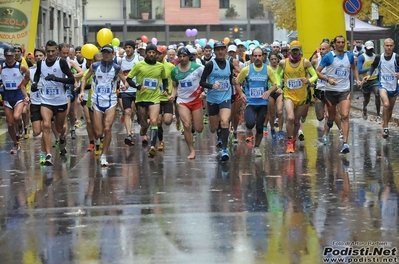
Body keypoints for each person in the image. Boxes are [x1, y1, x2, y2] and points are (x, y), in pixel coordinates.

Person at [79, 44, 129, 166]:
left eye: (108, 52)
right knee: (99, 132)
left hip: (111, 101)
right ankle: (97, 141)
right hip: (97, 101)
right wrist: (81, 92)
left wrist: (124, 86)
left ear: (113, 54)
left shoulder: (117, 68)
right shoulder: (95, 66)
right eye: (104, 52)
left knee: (107, 128)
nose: (106, 54)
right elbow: (85, 78)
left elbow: (125, 82)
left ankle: (104, 156)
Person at [200, 41, 246, 161]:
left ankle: (224, 150)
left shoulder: (229, 64)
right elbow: (202, 82)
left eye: (222, 49)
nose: (220, 52)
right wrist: (211, 86)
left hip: (225, 97)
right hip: (212, 99)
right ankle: (219, 134)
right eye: (218, 50)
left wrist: (239, 91)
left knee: (225, 121)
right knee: (214, 126)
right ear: (214, 52)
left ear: (225, 51)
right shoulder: (210, 65)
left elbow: (231, 79)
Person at [32, 40, 76, 165]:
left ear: (57, 51)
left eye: (53, 51)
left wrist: (56, 78)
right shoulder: (41, 63)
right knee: (46, 125)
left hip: (60, 101)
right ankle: (48, 155)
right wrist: (35, 84)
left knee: (59, 128)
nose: (50, 54)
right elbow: (36, 75)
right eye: (48, 51)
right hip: (46, 100)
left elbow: (71, 79)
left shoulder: (61, 62)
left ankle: (62, 138)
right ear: (46, 51)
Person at [317, 35, 363, 153]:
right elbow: (318, 72)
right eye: (339, 42)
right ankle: (326, 132)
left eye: (343, 42)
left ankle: (345, 144)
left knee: (345, 115)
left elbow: (354, 68)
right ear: (335, 44)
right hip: (331, 92)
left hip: (344, 91)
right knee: (331, 117)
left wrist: (357, 79)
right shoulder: (328, 57)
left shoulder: (349, 56)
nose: (341, 44)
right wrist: (328, 80)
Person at [126, 43, 168, 158]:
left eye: (153, 52)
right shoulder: (139, 65)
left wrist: (165, 89)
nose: (151, 54)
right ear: (146, 53)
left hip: (155, 98)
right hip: (141, 98)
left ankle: (152, 147)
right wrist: (138, 87)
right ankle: (143, 128)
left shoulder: (160, 66)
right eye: (149, 52)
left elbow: (164, 79)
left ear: (156, 54)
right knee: (144, 123)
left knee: (154, 121)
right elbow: (129, 79)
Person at [276, 40, 318, 153]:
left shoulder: (305, 63)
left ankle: (293, 140)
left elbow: (315, 76)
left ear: (300, 51)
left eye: (297, 50)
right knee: (290, 117)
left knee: (296, 121)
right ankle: (289, 142)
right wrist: (279, 84)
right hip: (288, 95)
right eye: (293, 50)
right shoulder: (283, 63)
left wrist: (308, 80)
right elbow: (277, 74)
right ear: (290, 51)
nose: (295, 52)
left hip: (301, 96)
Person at [236, 47, 276, 157]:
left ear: (263, 57)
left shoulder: (268, 69)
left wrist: (269, 91)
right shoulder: (247, 69)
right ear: (252, 57)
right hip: (250, 102)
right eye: (255, 56)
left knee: (259, 127)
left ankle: (257, 147)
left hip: (262, 103)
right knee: (249, 124)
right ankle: (249, 124)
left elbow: (276, 84)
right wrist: (241, 93)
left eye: (260, 56)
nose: (258, 58)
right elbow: (237, 82)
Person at [169, 47, 204, 159]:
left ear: (189, 57)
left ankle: (194, 121)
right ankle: (192, 150)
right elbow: (175, 87)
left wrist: (204, 91)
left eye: (184, 56)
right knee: (187, 125)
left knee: (199, 128)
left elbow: (205, 81)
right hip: (182, 101)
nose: (182, 58)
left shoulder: (198, 68)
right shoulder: (174, 71)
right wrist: (173, 95)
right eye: (180, 56)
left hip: (196, 100)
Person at [364, 38, 399, 139]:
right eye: (387, 45)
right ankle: (386, 128)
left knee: (390, 109)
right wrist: (369, 75)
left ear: (393, 46)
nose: (389, 48)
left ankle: (385, 122)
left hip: (394, 86)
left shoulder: (397, 57)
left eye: (391, 46)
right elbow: (373, 66)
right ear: (383, 46)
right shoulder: (379, 57)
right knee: (386, 104)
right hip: (382, 85)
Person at [0, 46, 30, 154]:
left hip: (18, 95)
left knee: (17, 116)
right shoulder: (1, 67)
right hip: (7, 96)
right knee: (10, 124)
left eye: (11, 56)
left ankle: (21, 127)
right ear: (5, 56)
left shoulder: (20, 67)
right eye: (7, 56)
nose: (9, 58)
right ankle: (15, 143)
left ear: (14, 56)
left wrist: (23, 85)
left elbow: (27, 74)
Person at [312, 42, 342, 145]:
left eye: (324, 49)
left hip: (330, 90)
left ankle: (328, 134)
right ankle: (330, 127)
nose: (321, 51)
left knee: (332, 114)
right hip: (319, 91)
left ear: (330, 50)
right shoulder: (316, 61)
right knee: (320, 117)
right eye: (320, 49)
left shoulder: (334, 60)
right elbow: (311, 71)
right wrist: (312, 81)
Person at [118, 40, 143, 146]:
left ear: (134, 49)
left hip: (138, 89)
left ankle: (142, 130)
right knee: (127, 111)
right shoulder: (120, 61)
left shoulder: (139, 59)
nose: (127, 49)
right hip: (126, 90)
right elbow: (118, 73)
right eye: (126, 47)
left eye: (130, 47)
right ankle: (128, 134)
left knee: (137, 113)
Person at [156, 45, 175, 150]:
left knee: (167, 121)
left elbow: (174, 82)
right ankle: (160, 141)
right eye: (156, 53)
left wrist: (172, 94)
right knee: (158, 122)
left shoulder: (170, 67)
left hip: (167, 98)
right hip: (156, 98)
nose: (158, 56)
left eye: (160, 54)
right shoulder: (152, 66)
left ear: (164, 55)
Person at [357, 40, 381, 121]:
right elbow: (359, 70)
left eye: (371, 49)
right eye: (368, 49)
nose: (370, 51)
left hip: (375, 80)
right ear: (365, 49)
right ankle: (364, 107)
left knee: (378, 94)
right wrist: (371, 68)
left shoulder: (376, 57)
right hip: (366, 81)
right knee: (366, 99)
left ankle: (378, 114)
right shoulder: (361, 57)